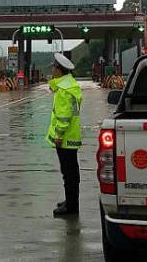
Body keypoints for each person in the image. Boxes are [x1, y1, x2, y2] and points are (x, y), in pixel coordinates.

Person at [46, 53, 83, 217]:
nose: (52, 69)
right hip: (72, 135)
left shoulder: (63, 90)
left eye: (54, 67)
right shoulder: (70, 85)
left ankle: (71, 206)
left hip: (65, 138)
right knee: (71, 172)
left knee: (68, 173)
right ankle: (70, 201)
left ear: (59, 70)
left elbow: (63, 116)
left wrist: (59, 136)